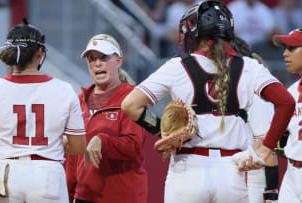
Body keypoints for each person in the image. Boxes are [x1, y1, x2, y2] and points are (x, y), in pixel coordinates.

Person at [121, 1, 295, 203]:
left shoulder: (178, 66)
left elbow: (129, 105)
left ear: (193, 31)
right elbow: (286, 102)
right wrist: (266, 147)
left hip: (188, 167)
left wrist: (159, 129)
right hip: (233, 171)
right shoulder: (249, 66)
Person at [0, 19, 86, 203]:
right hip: (47, 172)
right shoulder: (64, 90)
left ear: (8, 52)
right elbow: (79, 147)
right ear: (40, 53)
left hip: (3, 172)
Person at [65, 34, 148, 203]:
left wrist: (103, 141)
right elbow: (75, 156)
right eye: (91, 58)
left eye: (103, 57)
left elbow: (134, 146)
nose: (97, 63)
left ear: (118, 61)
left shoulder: (132, 98)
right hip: (85, 196)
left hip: (122, 196)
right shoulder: (79, 101)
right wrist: (68, 194)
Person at [231, 36, 280, 203]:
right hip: (232, 177)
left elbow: (267, 144)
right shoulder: (233, 90)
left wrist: (271, 193)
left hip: (251, 182)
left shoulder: (256, 93)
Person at [273, 27, 302, 203]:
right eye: (284, 48)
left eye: (291, 48)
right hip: (291, 173)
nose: (285, 54)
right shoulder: (290, 92)